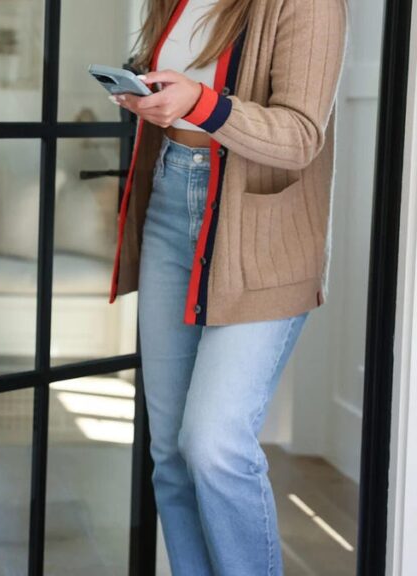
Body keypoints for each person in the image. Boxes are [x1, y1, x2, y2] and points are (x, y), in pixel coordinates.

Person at [107, 0, 348, 574]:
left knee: (214, 448)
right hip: (171, 205)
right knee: (169, 453)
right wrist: (151, 95)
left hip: (260, 234)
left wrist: (200, 102)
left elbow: (300, 136)